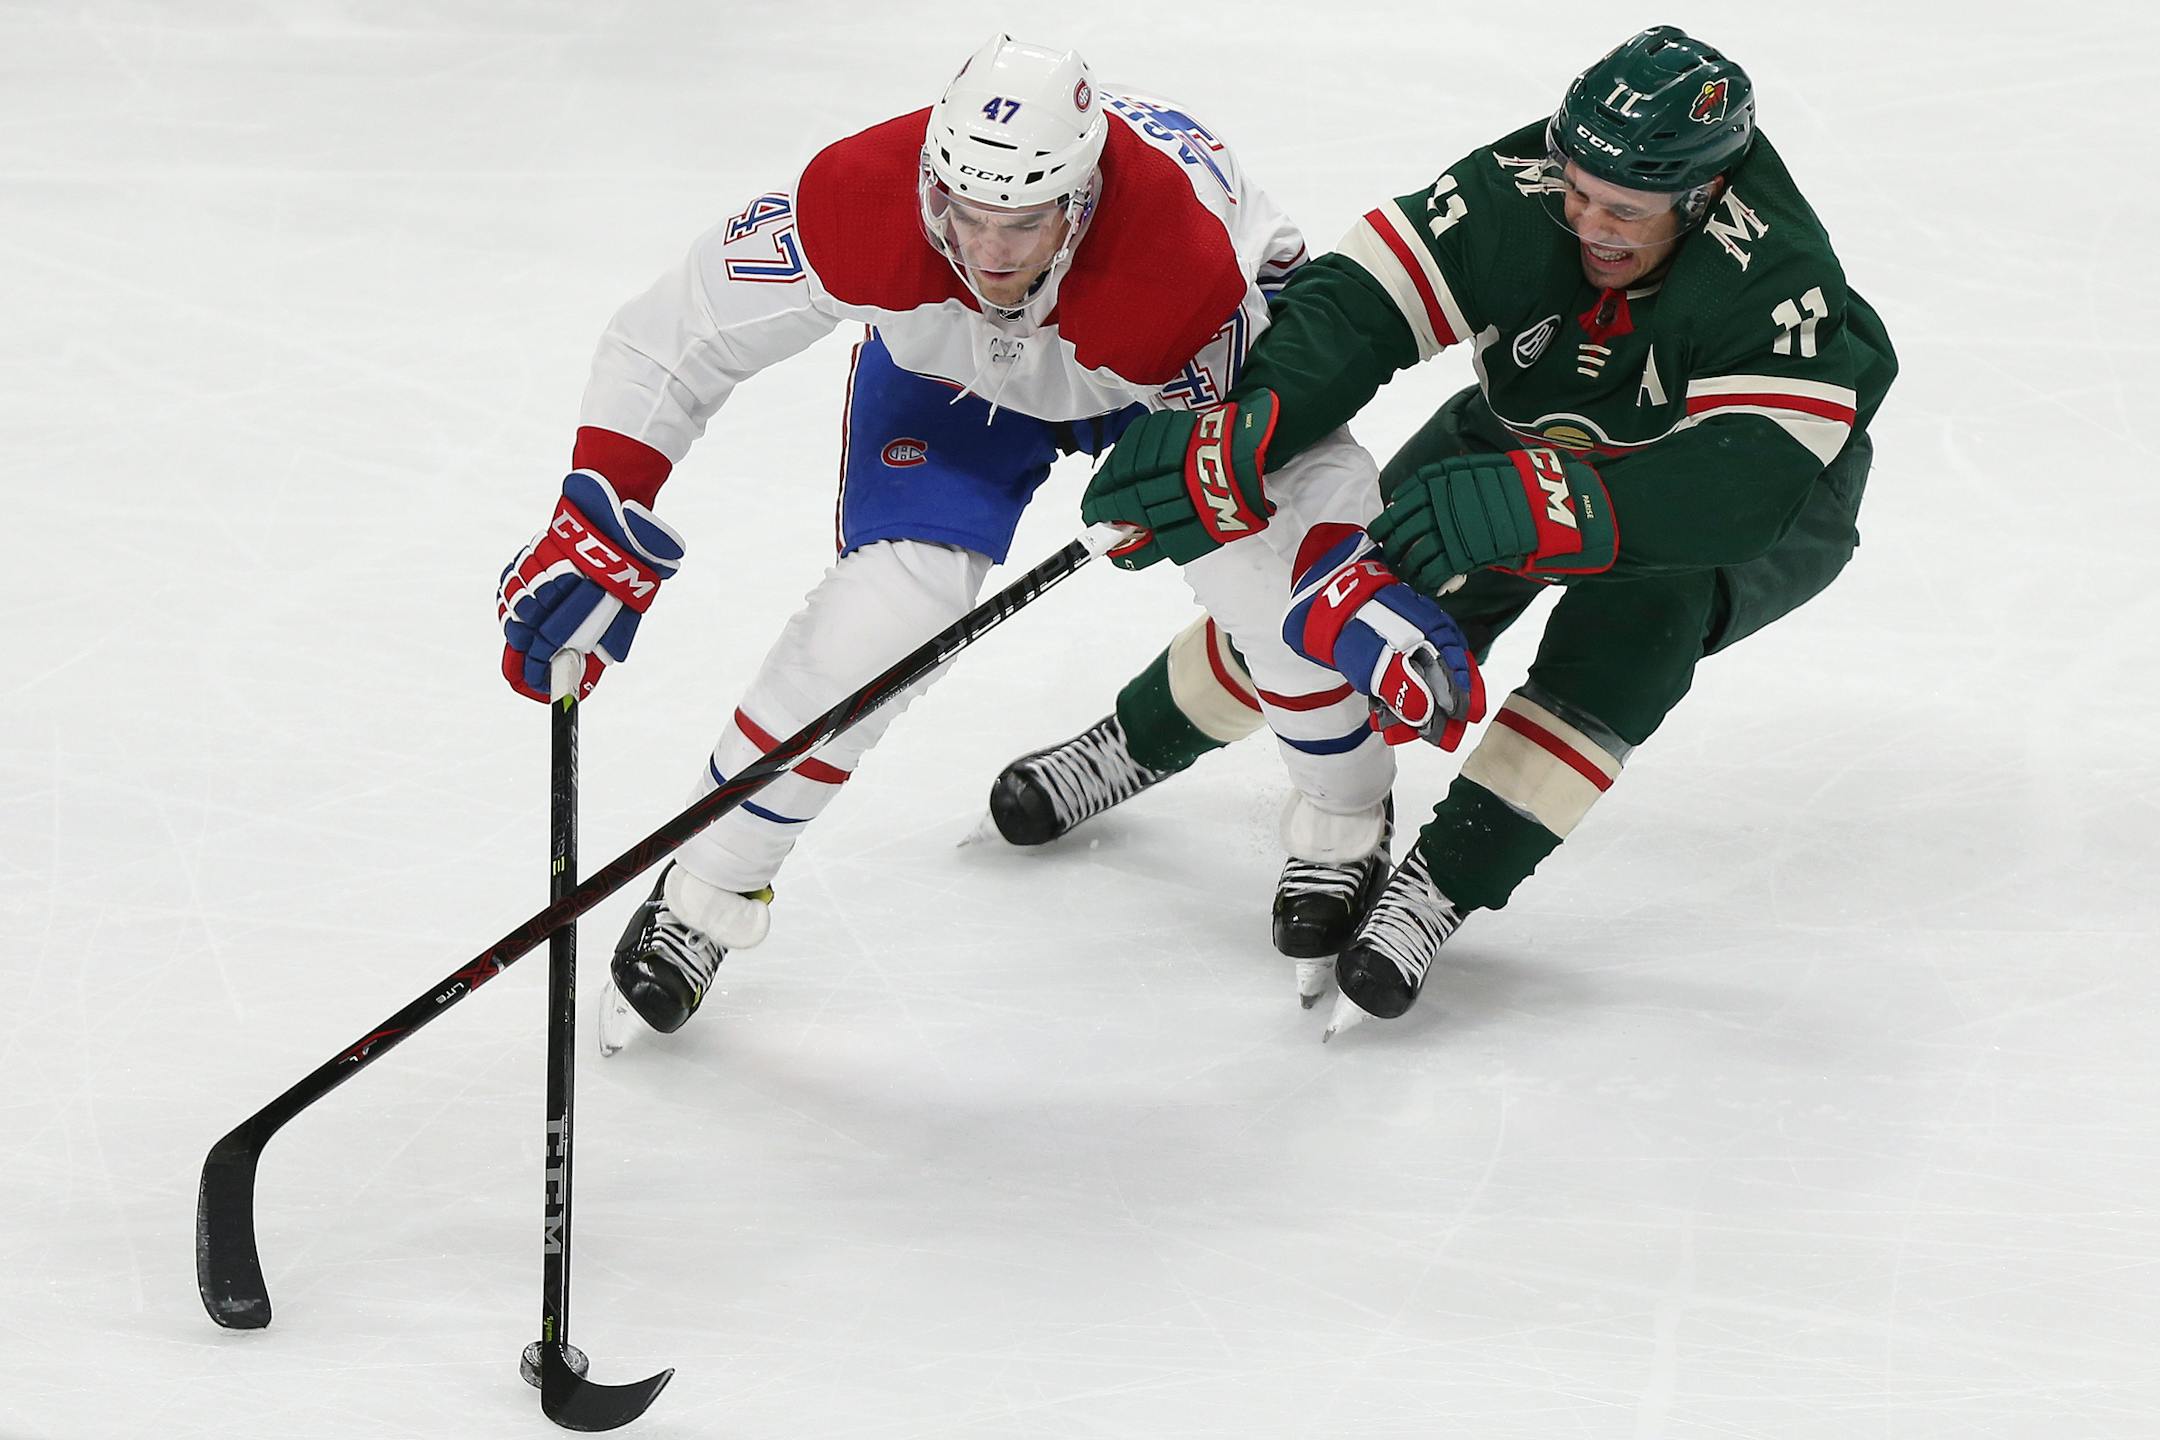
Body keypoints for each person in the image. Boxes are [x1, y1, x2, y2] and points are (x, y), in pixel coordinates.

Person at [494, 35, 1476, 1039]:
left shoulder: (1175, 265)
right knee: (879, 620)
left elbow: (1294, 446)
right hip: (951, 378)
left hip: (1158, 390)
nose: (992, 252)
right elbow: (676, 332)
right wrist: (597, 503)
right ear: (933, 177)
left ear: (1081, 200)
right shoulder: (858, 198)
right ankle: (704, 887)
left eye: (1027, 222)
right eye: (967, 214)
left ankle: (1347, 818)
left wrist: (1338, 565)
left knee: (1264, 590)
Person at [994, 26, 1899, 1036]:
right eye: (1578, 189)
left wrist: (1556, 507)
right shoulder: (1527, 186)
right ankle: (1131, 740)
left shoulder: (1778, 272)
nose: (1588, 220)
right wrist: (1253, 421)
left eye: (1625, 211)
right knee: (1344, 594)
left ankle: (1443, 883)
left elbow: (1747, 488)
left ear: (1704, 196)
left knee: (1630, 641)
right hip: (1532, 432)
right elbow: (1361, 304)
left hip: (1742, 506)